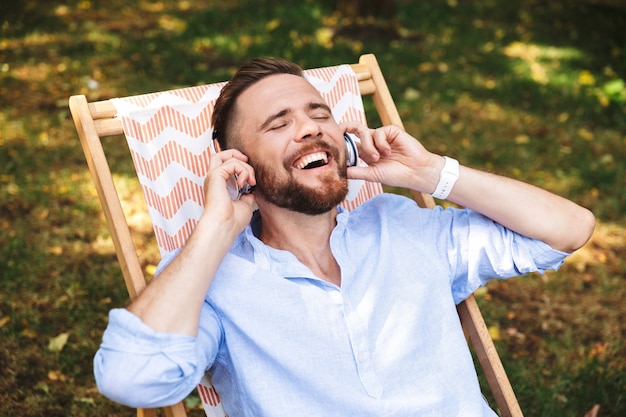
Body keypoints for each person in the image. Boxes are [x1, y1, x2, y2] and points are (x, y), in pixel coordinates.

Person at [93, 57, 595, 416]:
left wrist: (429, 174)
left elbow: (567, 230)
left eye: (319, 114)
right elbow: (132, 379)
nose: (311, 129)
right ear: (237, 162)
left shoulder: (401, 226)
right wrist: (213, 231)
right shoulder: (211, 277)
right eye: (279, 123)